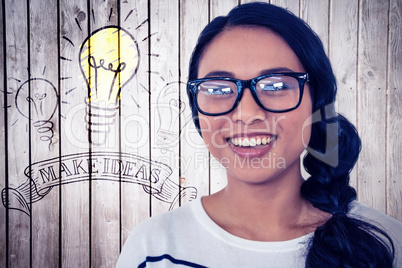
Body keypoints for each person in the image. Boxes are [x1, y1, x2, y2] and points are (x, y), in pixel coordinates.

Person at [117, 2, 402, 267]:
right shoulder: (152, 247)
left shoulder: (387, 242)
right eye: (218, 89)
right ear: (197, 110)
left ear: (317, 103)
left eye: (276, 86)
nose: (247, 113)